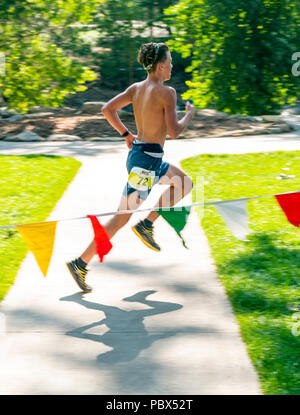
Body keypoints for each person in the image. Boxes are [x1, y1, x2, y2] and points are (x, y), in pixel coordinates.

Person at [66, 41, 195, 292]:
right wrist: (189, 114)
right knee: (121, 217)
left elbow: (107, 109)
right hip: (146, 162)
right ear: (159, 66)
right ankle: (80, 262)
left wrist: (126, 134)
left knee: (184, 183)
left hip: (144, 157)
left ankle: (147, 223)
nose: (172, 66)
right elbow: (174, 132)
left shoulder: (136, 88)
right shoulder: (167, 93)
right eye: (169, 62)